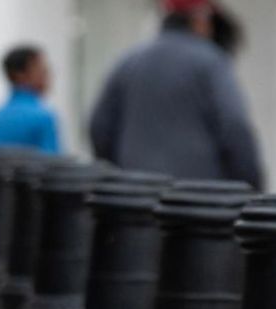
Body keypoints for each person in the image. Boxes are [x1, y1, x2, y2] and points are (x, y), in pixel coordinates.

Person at [88, 0, 263, 189]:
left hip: (136, 197)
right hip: (197, 198)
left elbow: (99, 127)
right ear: (200, 19)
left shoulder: (129, 62)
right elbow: (236, 127)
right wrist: (250, 186)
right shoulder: (212, 63)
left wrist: (121, 175)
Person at [0, 45, 60, 153]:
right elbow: (53, 160)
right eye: (41, 70)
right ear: (20, 75)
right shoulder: (43, 117)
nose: (47, 75)